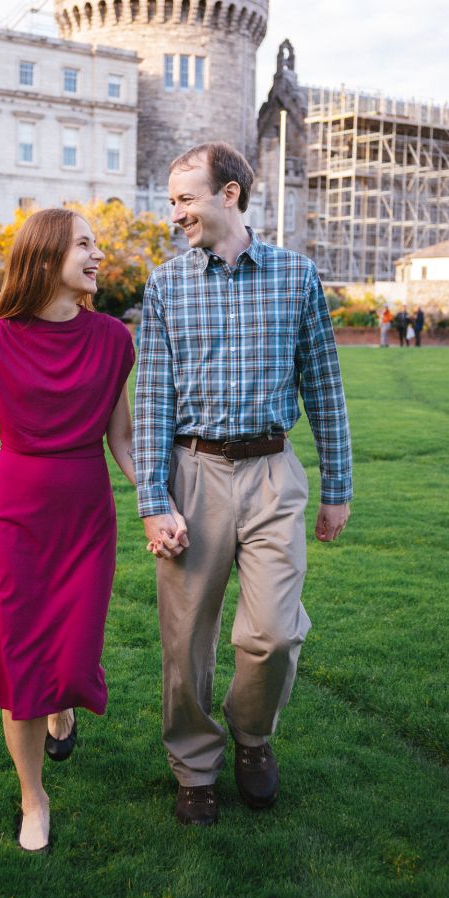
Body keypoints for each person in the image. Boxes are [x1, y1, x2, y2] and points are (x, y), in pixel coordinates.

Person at [134, 142, 352, 826]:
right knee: (186, 637)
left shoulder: (295, 276)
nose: (175, 214)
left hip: (270, 476)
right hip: (191, 473)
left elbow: (323, 386)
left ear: (228, 194)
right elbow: (151, 403)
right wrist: (151, 499)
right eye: (171, 201)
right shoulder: (165, 285)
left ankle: (251, 735)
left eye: (185, 198)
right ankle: (195, 765)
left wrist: (336, 486)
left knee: (273, 633)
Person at [0, 209, 143, 853]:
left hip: (86, 520)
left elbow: (124, 440)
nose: (99, 254)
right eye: (85, 244)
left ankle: (64, 705)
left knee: (75, 658)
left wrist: (156, 499)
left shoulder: (113, 340)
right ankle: (34, 798)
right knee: (21, 666)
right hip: (13, 523)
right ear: (48, 257)